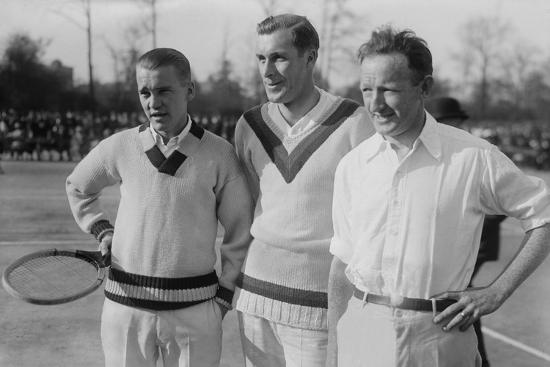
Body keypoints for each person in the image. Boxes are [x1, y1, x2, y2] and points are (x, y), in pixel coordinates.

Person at [327, 25, 550, 367]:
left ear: (425, 87)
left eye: (389, 90)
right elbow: (341, 263)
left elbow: (544, 215)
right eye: (367, 89)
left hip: (438, 337)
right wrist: (333, 353)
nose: (375, 104)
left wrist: (497, 290)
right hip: (361, 333)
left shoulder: (474, 157)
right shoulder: (352, 165)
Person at [66, 48, 253, 367]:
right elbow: (78, 186)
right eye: (145, 92)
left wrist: (223, 297)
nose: (153, 102)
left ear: (189, 90)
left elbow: (240, 232)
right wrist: (103, 229)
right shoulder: (120, 146)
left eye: (164, 90)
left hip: (195, 312)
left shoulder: (220, 155)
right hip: (124, 309)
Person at [233, 13, 374, 367]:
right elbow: (250, 205)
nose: (267, 71)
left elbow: (368, 223)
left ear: (310, 57)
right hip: (254, 301)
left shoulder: (354, 123)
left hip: (319, 307)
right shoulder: (249, 125)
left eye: (279, 57)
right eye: (261, 59)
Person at [426, 96, 507, 366]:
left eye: (455, 121)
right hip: (453, 252)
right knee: (461, 305)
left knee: (459, 301)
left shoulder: (476, 151)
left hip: (473, 247)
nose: (456, 125)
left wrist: (482, 222)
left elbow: (508, 203)